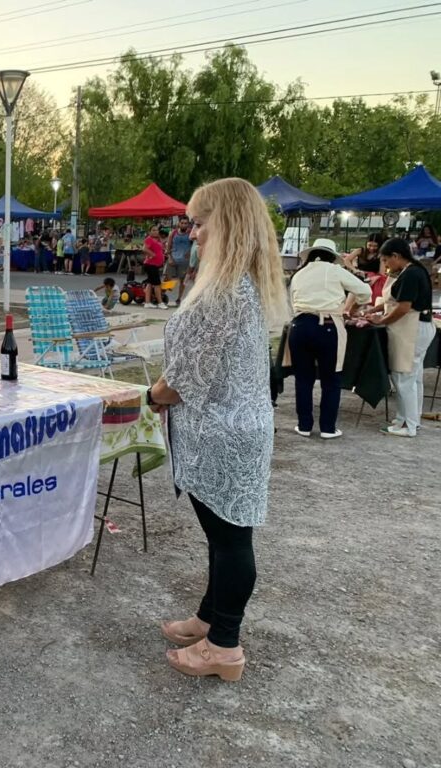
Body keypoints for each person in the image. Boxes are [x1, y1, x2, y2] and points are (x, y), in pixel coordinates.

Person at [147, 178, 287, 682]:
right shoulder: (235, 287)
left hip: (223, 436)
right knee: (222, 537)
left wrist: (149, 398)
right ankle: (210, 618)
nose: (194, 233)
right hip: (230, 431)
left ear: (225, 224)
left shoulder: (225, 291)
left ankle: (224, 645)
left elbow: (185, 379)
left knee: (230, 541)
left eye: (201, 223)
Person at [287, 238, 371, 439]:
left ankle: (304, 425)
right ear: (332, 257)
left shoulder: (299, 274)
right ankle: (327, 427)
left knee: (303, 379)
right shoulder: (335, 270)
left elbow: (292, 302)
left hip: (299, 326)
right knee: (331, 380)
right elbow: (365, 291)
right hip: (328, 327)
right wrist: (353, 307)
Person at [361, 238, 435, 437]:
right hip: (418, 326)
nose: (385, 265)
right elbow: (393, 301)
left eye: (386, 260)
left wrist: (382, 320)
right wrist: (376, 310)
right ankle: (408, 418)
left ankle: (409, 426)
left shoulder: (411, 274)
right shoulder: (413, 270)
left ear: (396, 256)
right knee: (413, 377)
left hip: (412, 328)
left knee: (404, 377)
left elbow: (403, 307)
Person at [165, 218, 192, 305]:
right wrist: (169, 257)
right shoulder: (173, 233)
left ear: (188, 224)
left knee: (182, 280)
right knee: (167, 277)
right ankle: (162, 295)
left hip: (184, 261)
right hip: (173, 259)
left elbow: (196, 244)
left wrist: (190, 252)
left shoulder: (191, 233)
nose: (184, 225)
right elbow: (168, 246)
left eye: (186, 223)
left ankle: (179, 298)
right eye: (182, 223)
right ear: (179, 223)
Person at [141, 224, 167, 308]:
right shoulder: (149, 239)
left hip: (155, 265)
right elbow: (144, 248)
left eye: (156, 230)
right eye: (153, 230)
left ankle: (147, 302)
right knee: (157, 284)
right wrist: (153, 254)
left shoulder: (157, 240)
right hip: (150, 264)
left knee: (150, 283)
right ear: (149, 232)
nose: (156, 232)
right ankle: (160, 303)